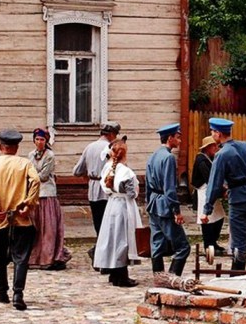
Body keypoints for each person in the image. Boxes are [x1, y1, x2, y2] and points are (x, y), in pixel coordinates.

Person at [0, 129, 40, 311]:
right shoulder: (25, 164)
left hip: (2, 218)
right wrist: (28, 204)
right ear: (17, 147)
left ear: (0, 146)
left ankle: (2, 292)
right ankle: (18, 294)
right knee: (21, 258)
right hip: (21, 218)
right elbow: (35, 181)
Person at [200, 117, 246, 270]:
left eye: (213, 132)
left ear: (218, 134)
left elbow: (214, 183)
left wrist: (207, 209)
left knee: (238, 242)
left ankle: (237, 276)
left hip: (238, 199)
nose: (212, 135)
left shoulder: (222, 154)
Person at [94, 139, 142, 287]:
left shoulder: (108, 168)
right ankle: (121, 275)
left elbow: (106, 188)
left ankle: (114, 273)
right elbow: (131, 193)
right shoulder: (125, 172)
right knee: (123, 239)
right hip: (123, 207)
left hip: (112, 204)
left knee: (113, 238)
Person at [72, 121, 121, 264]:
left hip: (93, 190)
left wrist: (89, 176)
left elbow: (77, 171)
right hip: (107, 191)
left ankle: (99, 254)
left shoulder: (90, 147)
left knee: (98, 225)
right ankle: (101, 256)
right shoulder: (110, 148)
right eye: (115, 135)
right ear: (111, 134)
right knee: (109, 227)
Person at [146, 123, 191, 278]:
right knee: (183, 247)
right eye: (177, 138)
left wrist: (149, 203)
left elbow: (147, 184)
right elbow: (170, 189)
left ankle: (159, 278)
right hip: (165, 205)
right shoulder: (169, 158)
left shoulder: (153, 156)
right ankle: (172, 278)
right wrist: (176, 211)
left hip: (153, 203)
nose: (179, 141)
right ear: (170, 138)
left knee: (157, 245)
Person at [27, 128, 71, 270]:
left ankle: (49, 257)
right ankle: (35, 257)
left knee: (48, 229)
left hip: (47, 194)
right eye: (37, 139)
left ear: (46, 142)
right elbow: (28, 172)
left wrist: (31, 177)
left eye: (42, 140)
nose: (39, 142)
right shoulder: (31, 155)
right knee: (36, 227)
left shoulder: (50, 155)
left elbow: (44, 176)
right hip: (34, 194)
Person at [191, 135, 227, 255]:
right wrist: (221, 190)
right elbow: (209, 178)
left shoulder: (208, 158)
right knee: (206, 219)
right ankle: (208, 245)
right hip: (204, 191)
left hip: (210, 190)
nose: (216, 148)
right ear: (208, 148)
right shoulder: (201, 160)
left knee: (219, 217)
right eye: (214, 147)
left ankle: (213, 242)